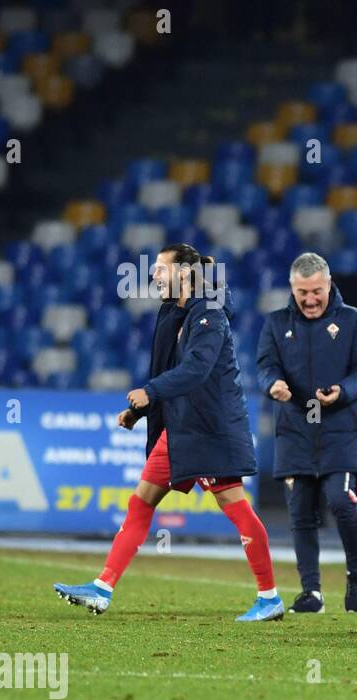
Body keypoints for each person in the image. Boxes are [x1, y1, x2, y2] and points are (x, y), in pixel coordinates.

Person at [54, 244, 283, 621]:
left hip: (209, 429)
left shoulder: (209, 315)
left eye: (161, 269)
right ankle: (102, 588)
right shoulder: (173, 311)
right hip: (179, 429)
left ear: (184, 275)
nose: (154, 275)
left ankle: (269, 597)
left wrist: (151, 392)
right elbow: (169, 368)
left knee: (236, 507)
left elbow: (196, 370)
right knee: (141, 501)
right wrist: (139, 410)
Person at [256, 252, 357, 613]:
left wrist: (343, 391)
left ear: (328, 285)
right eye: (302, 292)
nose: (309, 299)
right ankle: (312, 592)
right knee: (301, 514)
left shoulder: (353, 320)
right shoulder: (276, 323)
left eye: (316, 291)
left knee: (341, 502)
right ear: (293, 288)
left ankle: (356, 570)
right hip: (295, 430)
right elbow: (265, 366)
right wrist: (272, 384)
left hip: (339, 428)